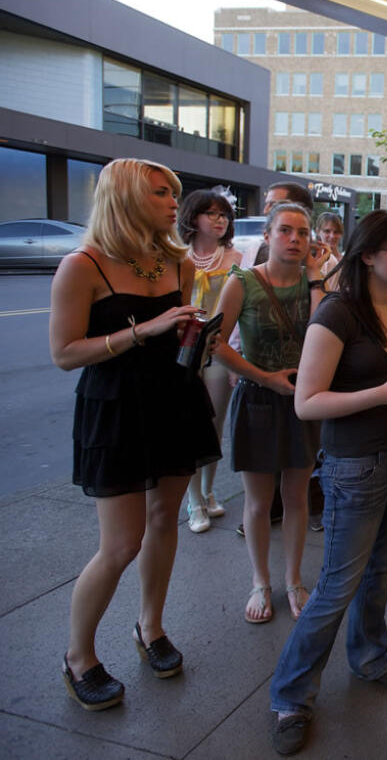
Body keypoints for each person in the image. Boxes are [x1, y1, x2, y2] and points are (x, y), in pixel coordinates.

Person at [267, 211, 387, 755]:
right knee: (337, 586)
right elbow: (307, 402)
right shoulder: (337, 312)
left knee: (380, 568)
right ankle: (290, 695)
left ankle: (369, 657)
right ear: (368, 254)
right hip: (355, 466)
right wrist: (382, 396)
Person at [49, 158, 220, 710]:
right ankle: (79, 656)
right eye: (161, 192)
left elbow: (177, 336)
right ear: (124, 196)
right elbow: (63, 354)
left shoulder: (177, 262)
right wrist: (142, 330)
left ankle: (150, 626)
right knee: (121, 543)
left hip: (173, 398)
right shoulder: (83, 265)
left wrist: (195, 338)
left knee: (164, 518)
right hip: (117, 407)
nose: (175, 202)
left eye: (174, 192)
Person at [214, 202, 326, 624]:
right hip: (258, 398)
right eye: (285, 230)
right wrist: (263, 377)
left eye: (303, 232)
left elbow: (320, 336)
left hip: (303, 400)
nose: (295, 239)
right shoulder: (242, 283)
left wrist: (316, 281)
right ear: (267, 235)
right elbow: (217, 343)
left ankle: (294, 578)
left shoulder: (315, 284)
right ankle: (261, 581)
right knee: (259, 502)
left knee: (296, 496)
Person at [178, 188, 243, 534]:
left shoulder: (236, 258)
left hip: (219, 350)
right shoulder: (177, 256)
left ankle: (208, 489)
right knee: (190, 425)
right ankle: (194, 502)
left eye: (223, 215)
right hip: (184, 352)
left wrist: (236, 358)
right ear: (193, 217)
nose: (219, 220)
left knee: (214, 427)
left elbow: (241, 312)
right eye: (212, 214)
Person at [315, 212, 344, 290]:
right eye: (327, 231)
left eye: (336, 232)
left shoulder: (347, 259)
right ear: (318, 231)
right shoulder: (314, 261)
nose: (332, 236)